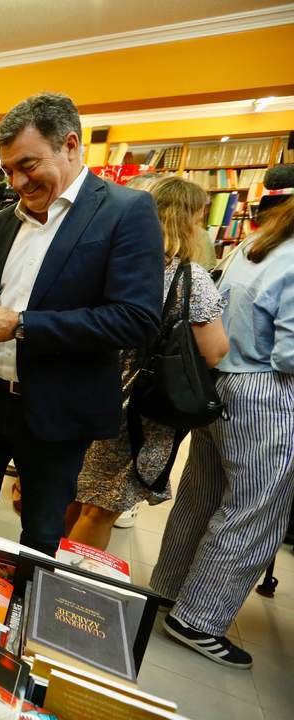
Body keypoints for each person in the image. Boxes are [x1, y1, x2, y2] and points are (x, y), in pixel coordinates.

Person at [0, 93, 164, 555]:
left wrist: (22, 325)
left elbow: (137, 320)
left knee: (42, 534)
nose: (18, 182)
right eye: (7, 170)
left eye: (28, 164)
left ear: (70, 145)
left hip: (57, 408)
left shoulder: (126, 212)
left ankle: (23, 611)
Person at [150, 167, 294, 669]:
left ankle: (168, 589)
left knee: (201, 493)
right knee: (256, 508)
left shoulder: (248, 247)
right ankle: (199, 618)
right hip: (264, 392)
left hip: (219, 387)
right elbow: (289, 354)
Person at [65, 177, 229, 550]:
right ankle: (66, 588)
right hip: (143, 404)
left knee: (79, 492)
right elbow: (214, 350)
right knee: (102, 507)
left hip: (97, 387)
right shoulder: (189, 277)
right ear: (191, 220)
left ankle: (47, 569)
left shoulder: (120, 262)